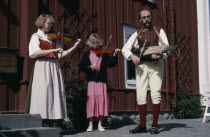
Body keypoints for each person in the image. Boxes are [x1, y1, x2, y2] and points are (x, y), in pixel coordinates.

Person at [28, 14, 82, 127]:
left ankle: (54, 119)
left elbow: (61, 55)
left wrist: (75, 46)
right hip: (43, 66)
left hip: (54, 66)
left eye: (52, 24)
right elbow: (35, 53)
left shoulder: (52, 38)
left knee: (55, 91)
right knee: (44, 92)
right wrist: (54, 49)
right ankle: (43, 119)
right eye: (49, 24)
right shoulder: (36, 36)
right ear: (42, 22)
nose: (51, 26)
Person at [122, 9, 169, 134]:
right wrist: (132, 56)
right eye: (144, 17)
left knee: (155, 93)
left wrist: (160, 55)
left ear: (151, 17)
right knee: (141, 95)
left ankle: (154, 125)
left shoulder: (159, 31)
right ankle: (142, 125)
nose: (146, 19)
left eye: (148, 17)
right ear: (140, 20)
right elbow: (125, 49)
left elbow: (166, 49)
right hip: (142, 66)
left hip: (156, 66)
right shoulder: (137, 33)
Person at [78, 33, 120, 132]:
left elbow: (111, 64)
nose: (97, 45)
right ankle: (90, 124)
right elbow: (81, 67)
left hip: (102, 81)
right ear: (91, 43)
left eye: (98, 43)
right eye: (94, 43)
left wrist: (114, 54)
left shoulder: (104, 54)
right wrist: (89, 67)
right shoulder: (87, 54)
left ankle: (100, 124)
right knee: (91, 102)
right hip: (91, 81)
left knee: (101, 101)